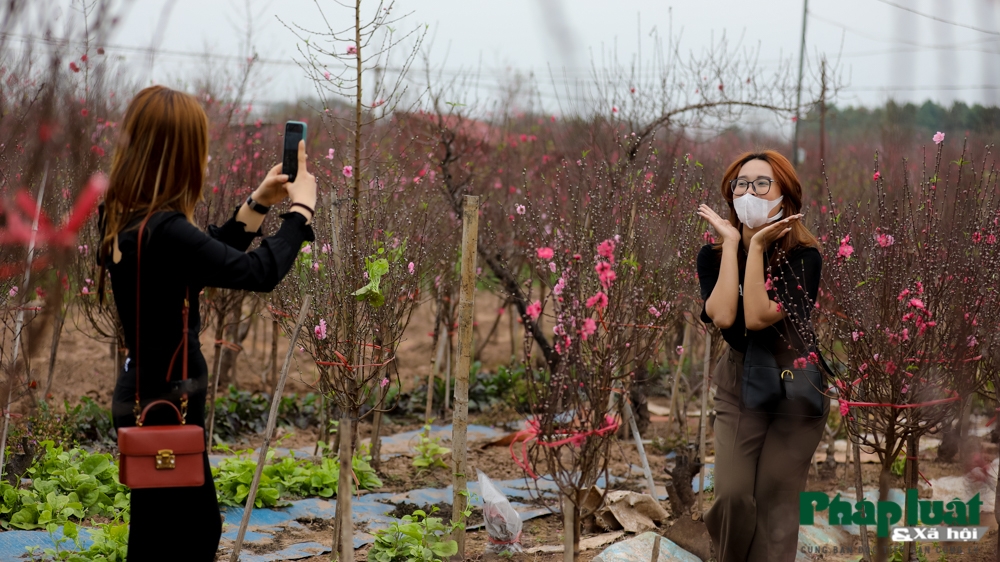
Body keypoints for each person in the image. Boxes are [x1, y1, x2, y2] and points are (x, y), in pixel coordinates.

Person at [97, 85, 317, 561]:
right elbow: (258, 273)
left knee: (163, 530)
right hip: (168, 400)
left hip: (145, 391)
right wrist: (300, 213)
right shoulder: (167, 230)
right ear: (179, 155)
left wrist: (258, 203)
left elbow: (203, 259)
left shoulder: (122, 218)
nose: (207, 155)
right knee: (188, 532)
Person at [695, 150, 830, 562]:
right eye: (741, 184)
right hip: (740, 381)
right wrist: (734, 244)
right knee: (734, 496)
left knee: (776, 504)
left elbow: (756, 317)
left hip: (795, 389)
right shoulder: (713, 256)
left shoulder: (804, 257)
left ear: (784, 197)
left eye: (760, 184)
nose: (748, 192)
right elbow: (722, 316)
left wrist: (756, 252)